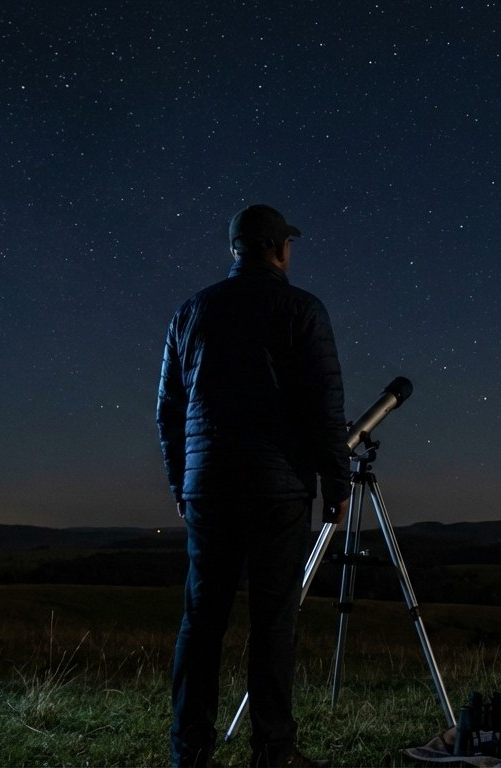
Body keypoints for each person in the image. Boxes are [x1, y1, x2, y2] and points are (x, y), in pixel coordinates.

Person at [157, 204, 351, 768]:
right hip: (277, 488)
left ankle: (188, 752)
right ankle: (273, 752)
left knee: (201, 621)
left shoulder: (191, 312)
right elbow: (324, 404)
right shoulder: (300, 308)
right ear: (278, 248)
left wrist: (181, 481)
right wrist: (337, 481)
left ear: (236, 249)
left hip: (208, 487)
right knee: (273, 623)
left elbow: (169, 410)